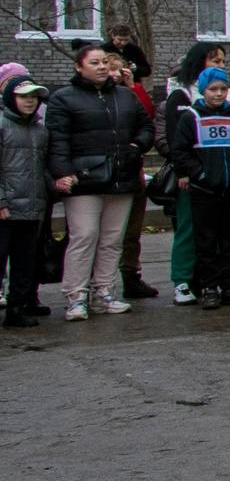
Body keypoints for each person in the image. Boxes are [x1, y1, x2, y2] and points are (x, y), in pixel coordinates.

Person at [45, 44, 150, 320]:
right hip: (84, 180)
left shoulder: (126, 96)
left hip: (121, 178)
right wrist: (62, 173)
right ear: (79, 67)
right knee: (84, 236)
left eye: (105, 62)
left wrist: (136, 146)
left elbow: (146, 126)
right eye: (95, 63)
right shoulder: (63, 99)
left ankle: (103, 292)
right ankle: (76, 297)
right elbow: (57, 140)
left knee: (112, 240)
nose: (102, 67)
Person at [168, 66, 230, 309]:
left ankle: (229, 285)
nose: (218, 94)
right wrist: (201, 174)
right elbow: (181, 152)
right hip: (205, 190)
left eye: (223, 89)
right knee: (205, 240)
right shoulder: (191, 117)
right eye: (213, 89)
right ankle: (208, 286)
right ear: (203, 91)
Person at [159, 41, 227, 304]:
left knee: (219, 232)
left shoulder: (226, 96)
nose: (221, 66)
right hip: (194, 177)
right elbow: (177, 141)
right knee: (188, 228)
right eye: (215, 61)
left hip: (221, 176)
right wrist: (184, 172)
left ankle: (217, 279)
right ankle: (183, 281)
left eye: (223, 61)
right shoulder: (182, 96)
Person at [107, 55, 158, 302]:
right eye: (111, 69)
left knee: (132, 232)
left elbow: (148, 118)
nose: (116, 74)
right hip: (102, 173)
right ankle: (99, 285)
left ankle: (131, 276)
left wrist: (133, 86)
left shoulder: (130, 93)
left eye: (120, 69)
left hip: (131, 169)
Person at [1, 73, 51, 328]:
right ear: (11, 98)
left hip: (32, 208)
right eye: (24, 97)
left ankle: (18, 308)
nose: (30, 102)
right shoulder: (2, 126)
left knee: (24, 262)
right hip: (6, 209)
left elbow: (41, 168)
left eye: (34, 97)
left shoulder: (39, 130)